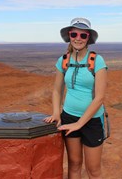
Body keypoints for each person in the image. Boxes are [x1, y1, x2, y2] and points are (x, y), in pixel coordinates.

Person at [44, 17, 108, 179]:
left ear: (88, 39)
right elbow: (57, 90)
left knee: (93, 169)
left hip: (92, 120)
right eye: (74, 34)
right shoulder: (63, 60)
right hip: (69, 116)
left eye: (83, 35)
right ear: (69, 36)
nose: (78, 38)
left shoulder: (97, 61)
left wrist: (80, 123)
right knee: (74, 164)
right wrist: (57, 113)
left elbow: (99, 97)